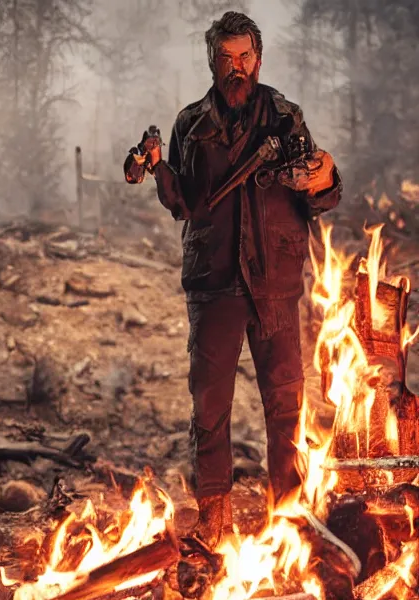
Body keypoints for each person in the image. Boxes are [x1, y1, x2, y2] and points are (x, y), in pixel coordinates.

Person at [142, 12, 343, 547]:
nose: (238, 68)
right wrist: (160, 169)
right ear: (213, 61)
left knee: (286, 405)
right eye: (227, 58)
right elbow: (183, 202)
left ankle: (291, 518)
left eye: (245, 57)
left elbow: (322, 193)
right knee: (210, 406)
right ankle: (215, 522)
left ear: (260, 58)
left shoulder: (285, 117)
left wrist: (323, 177)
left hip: (275, 284)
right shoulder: (191, 124)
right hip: (214, 284)